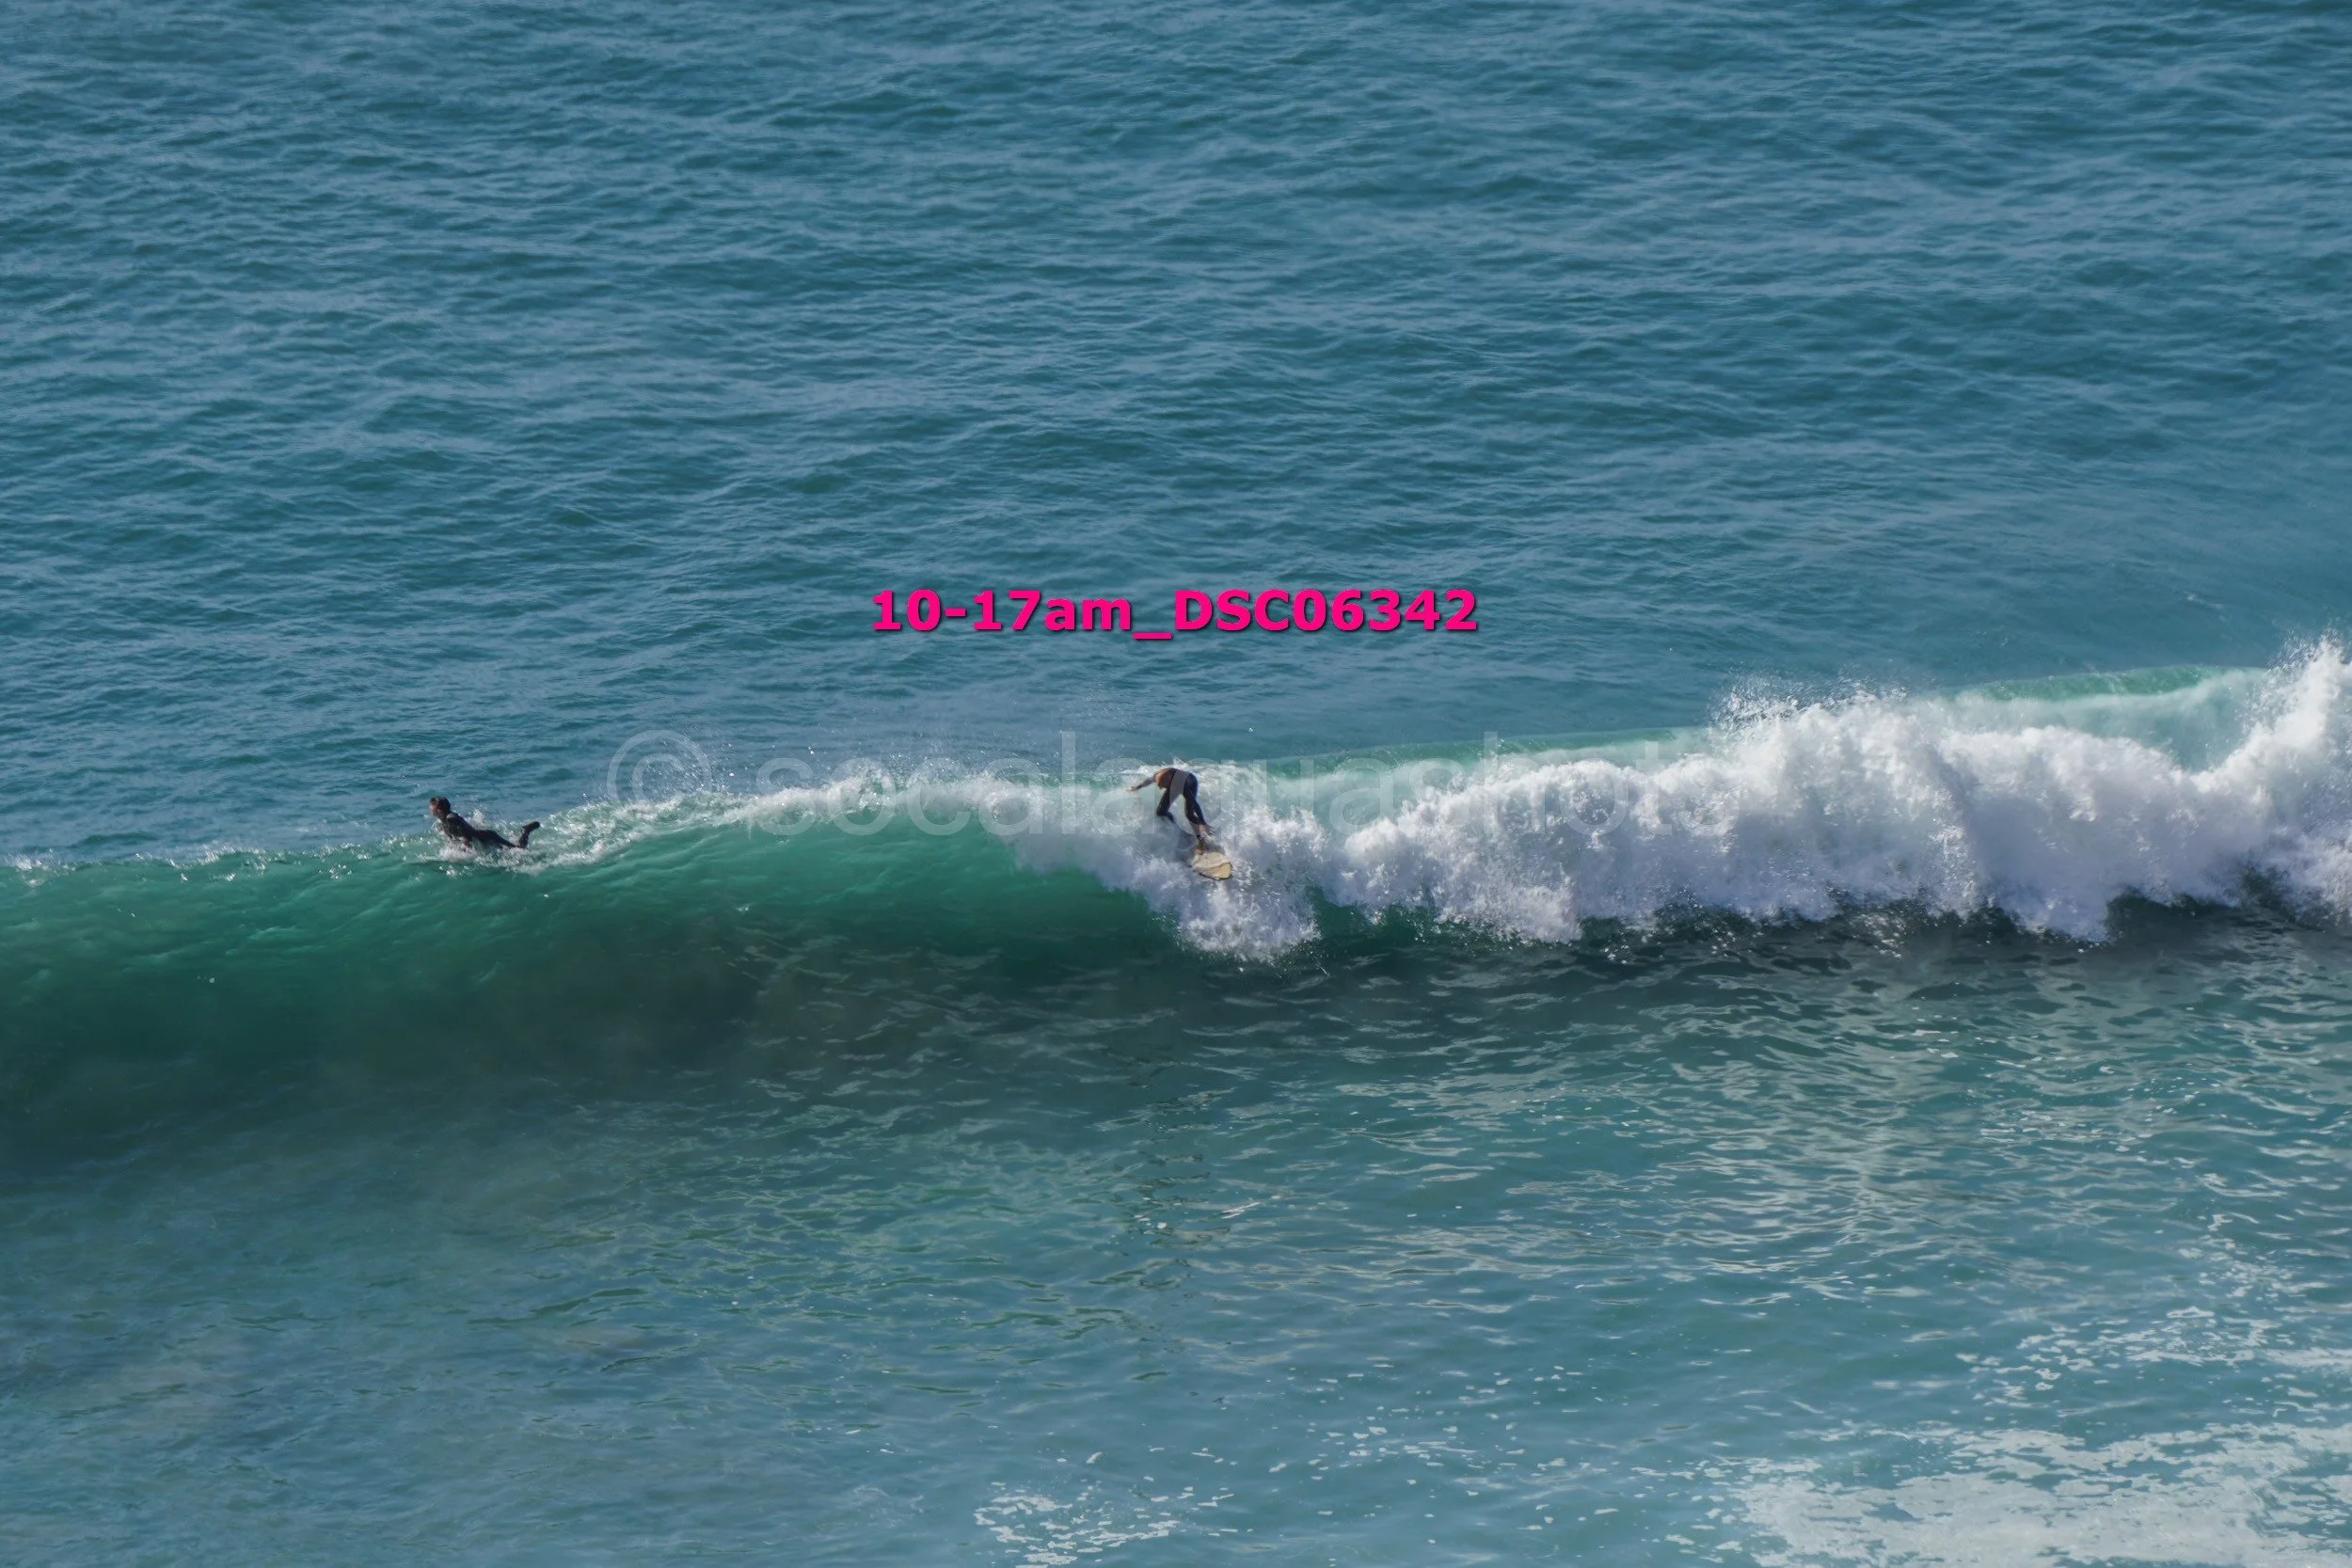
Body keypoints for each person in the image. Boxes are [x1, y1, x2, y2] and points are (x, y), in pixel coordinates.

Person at [1129, 766, 1212, 850]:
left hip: (1190, 783)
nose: (1160, 789)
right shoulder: (1158, 775)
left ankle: (1201, 840)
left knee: (1189, 814)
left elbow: (1195, 804)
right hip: (1173, 783)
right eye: (1159, 786)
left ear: (1168, 782)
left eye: (1162, 786)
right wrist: (1137, 787)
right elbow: (1149, 781)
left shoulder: (1179, 784)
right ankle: (1178, 830)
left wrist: (1203, 821)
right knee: (1161, 812)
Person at [429, 797, 538, 851]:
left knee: (518, 849)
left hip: (487, 836)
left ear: (439, 809)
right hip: (481, 839)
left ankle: (525, 831)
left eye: (432, 806)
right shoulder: (443, 820)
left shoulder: (450, 818)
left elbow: (459, 821)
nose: (430, 808)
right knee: (508, 850)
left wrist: (465, 838)